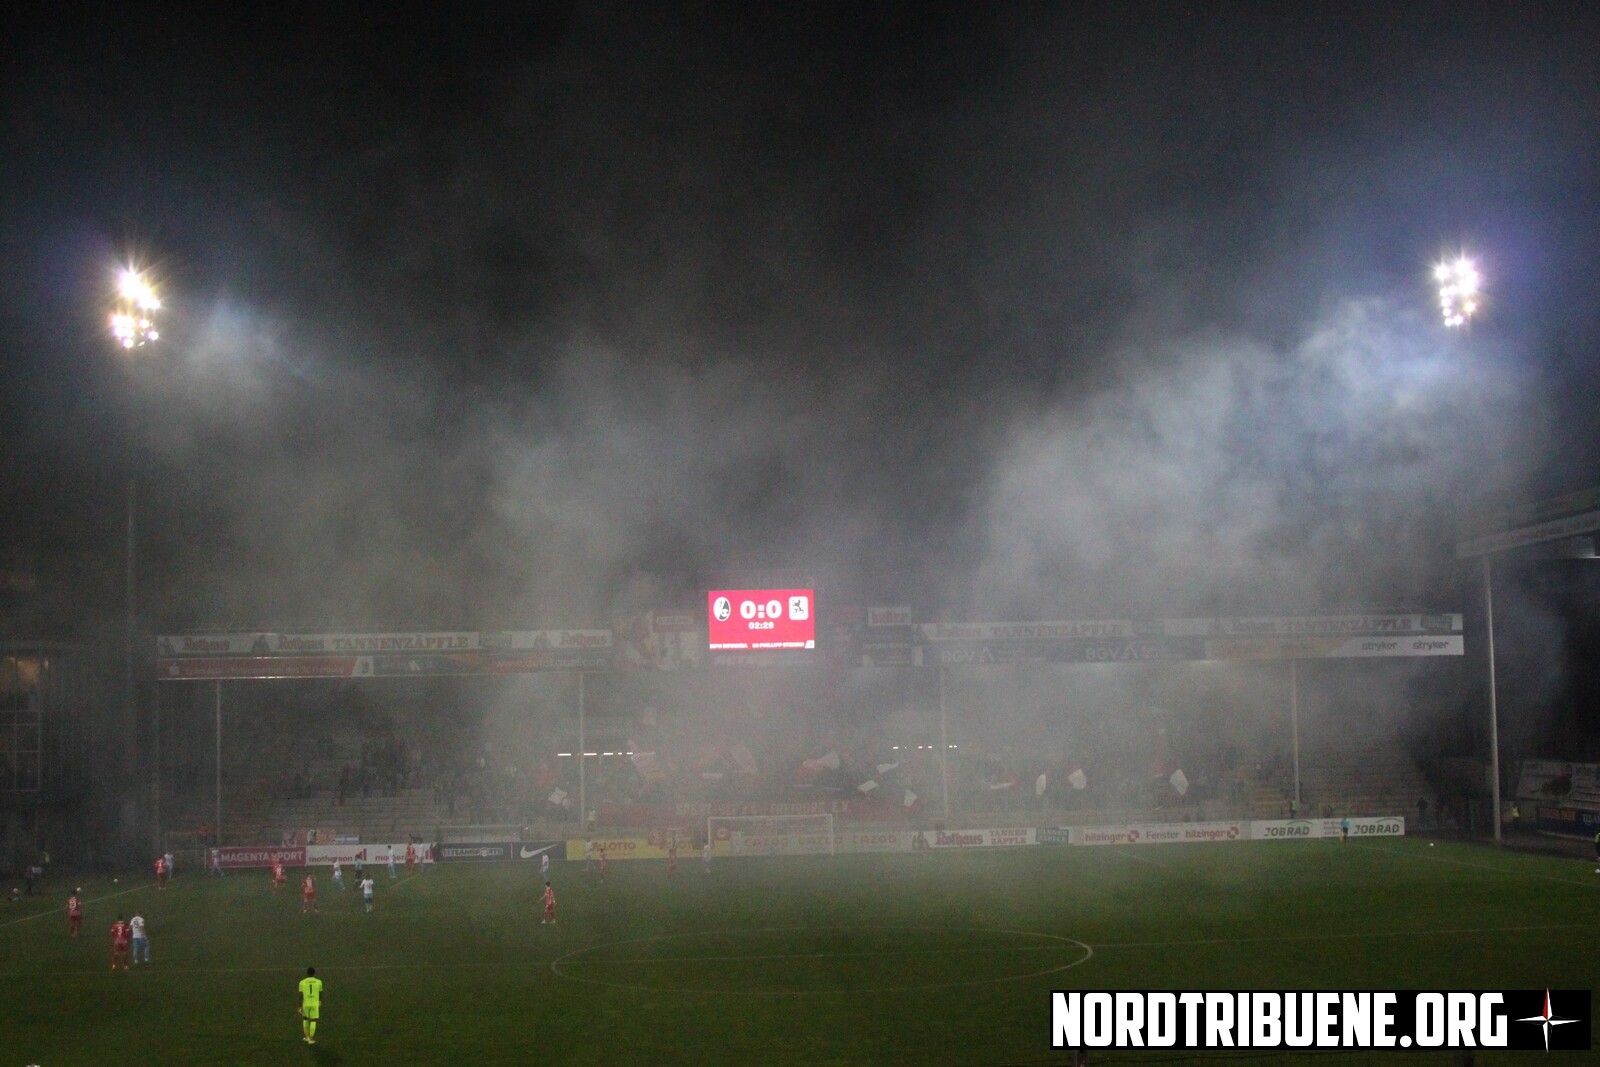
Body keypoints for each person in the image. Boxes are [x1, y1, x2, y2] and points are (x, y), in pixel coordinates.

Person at [298, 966, 324, 1045]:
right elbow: (320, 993)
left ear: (307, 973)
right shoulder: (319, 982)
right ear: (314, 973)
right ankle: (311, 1038)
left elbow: (300, 995)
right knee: (313, 1020)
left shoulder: (302, 982)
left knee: (305, 1019)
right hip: (315, 1003)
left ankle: (307, 1037)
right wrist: (320, 1001)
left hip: (306, 1003)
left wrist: (299, 1006)